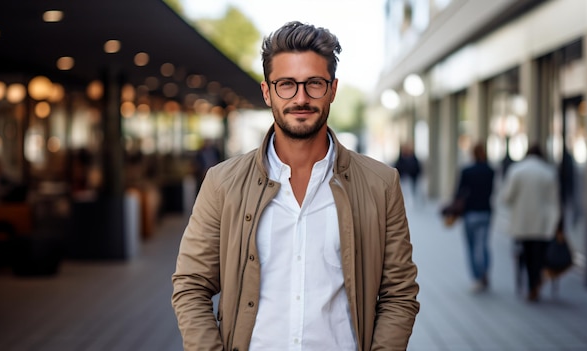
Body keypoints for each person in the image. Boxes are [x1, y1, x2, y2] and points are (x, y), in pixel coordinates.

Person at [172, 21, 420, 350]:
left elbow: (399, 294)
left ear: (332, 89)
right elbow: (191, 285)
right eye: (286, 84)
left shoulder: (381, 184)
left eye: (314, 84)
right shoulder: (222, 183)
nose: (301, 98)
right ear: (267, 91)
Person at [501, 144, 560, 302]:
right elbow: (554, 201)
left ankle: (531, 284)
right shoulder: (548, 172)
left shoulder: (517, 170)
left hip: (522, 222)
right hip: (543, 222)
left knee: (526, 255)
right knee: (539, 254)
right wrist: (555, 222)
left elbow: (507, 197)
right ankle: (536, 282)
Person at [453, 142, 495, 292]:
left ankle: (477, 277)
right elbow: (491, 191)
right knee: (483, 245)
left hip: (470, 213)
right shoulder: (490, 171)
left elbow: (458, 193)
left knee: (471, 247)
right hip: (485, 212)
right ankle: (484, 270)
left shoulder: (467, 171)